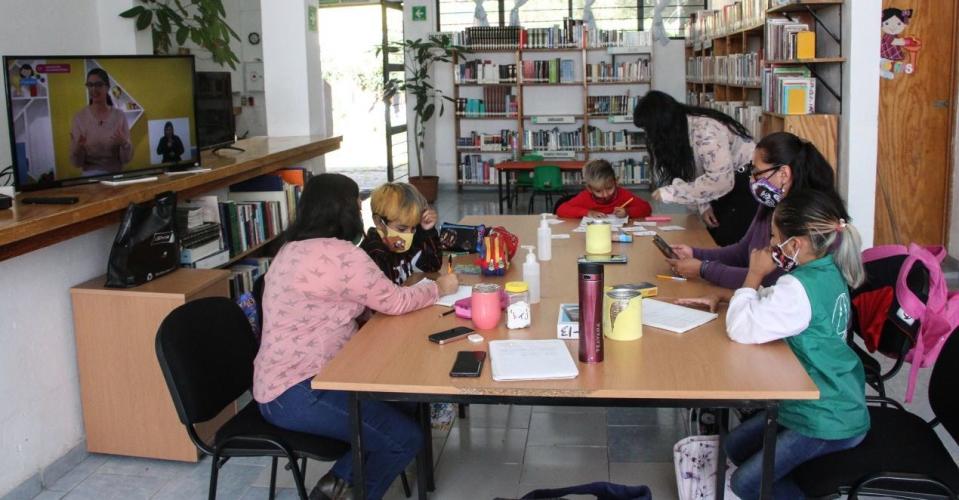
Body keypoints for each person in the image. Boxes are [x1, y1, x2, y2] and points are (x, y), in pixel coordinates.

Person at [253, 173, 459, 500]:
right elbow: (395, 301)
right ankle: (333, 493)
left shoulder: (289, 249)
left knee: (404, 404)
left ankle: (338, 486)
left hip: (284, 383)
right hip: (299, 391)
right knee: (405, 438)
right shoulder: (343, 255)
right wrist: (439, 288)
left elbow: (341, 303)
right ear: (346, 211)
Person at [679, 189, 869, 499]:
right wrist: (727, 296)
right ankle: (791, 468)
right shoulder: (826, 269)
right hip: (834, 393)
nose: (769, 245)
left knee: (746, 484)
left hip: (826, 417)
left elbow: (740, 329)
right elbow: (777, 305)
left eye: (774, 236)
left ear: (796, 244)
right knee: (734, 447)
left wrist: (753, 275)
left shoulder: (796, 286)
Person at [666, 132, 845, 289]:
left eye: (758, 172)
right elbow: (744, 252)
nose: (752, 179)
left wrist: (703, 269)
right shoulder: (770, 202)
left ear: (784, 174)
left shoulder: (806, 218)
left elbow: (769, 278)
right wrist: (695, 253)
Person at [633, 90, 757, 245]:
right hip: (725, 184)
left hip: (746, 182)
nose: (649, 136)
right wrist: (704, 206)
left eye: (649, 129)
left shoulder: (706, 130)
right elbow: (697, 172)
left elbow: (720, 180)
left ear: (661, 124)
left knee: (727, 241)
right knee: (711, 237)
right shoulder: (681, 130)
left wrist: (672, 192)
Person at [360, 182, 442, 285]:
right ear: (379, 222)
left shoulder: (405, 239)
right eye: (402, 229)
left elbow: (432, 266)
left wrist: (427, 231)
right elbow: (386, 296)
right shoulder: (373, 254)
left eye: (413, 228)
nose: (408, 235)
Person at [69, 68, 132, 174]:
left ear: (107, 87)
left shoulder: (120, 116)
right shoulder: (79, 118)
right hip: (90, 177)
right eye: (90, 85)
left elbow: (126, 159)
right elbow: (76, 164)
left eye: (98, 85)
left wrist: (125, 143)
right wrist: (76, 149)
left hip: (115, 176)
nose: (93, 89)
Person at [555, 159, 652, 219]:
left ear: (616, 182)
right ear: (589, 189)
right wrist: (588, 213)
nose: (605, 195)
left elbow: (646, 208)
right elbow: (561, 210)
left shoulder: (623, 194)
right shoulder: (585, 197)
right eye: (598, 191)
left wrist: (627, 212)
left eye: (609, 188)